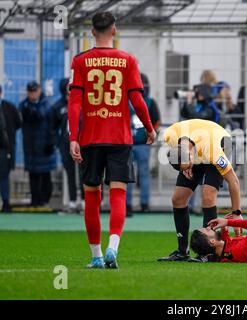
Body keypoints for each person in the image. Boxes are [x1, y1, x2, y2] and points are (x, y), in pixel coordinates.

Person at [68, 11, 156, 269]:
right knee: (119, 193)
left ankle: (95, 255)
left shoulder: (80, 61)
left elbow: (74, 102)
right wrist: (149, 128)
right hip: (120, 137)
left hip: (90, 138)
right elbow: (137, 100)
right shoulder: (128, 60)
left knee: (92, 196)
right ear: (114, 30)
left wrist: (74, 137)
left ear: (92, 31)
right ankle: (112, 247)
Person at [158, 119, 242, 262]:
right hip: (197, 145)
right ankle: (182, 251)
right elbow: (182, 160)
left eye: (190, 164)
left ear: (191, 155)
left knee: (208, 195)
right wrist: (186, 168)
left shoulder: (213, 152)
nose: (190, 167)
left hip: (219, 141)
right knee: (178, 199)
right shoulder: (169, 136)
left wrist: (236, 214)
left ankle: (209, 253)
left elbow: (234, 181)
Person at [126, 73, 161, 215]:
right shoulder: (149, 102)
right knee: (144, 174)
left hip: (128, 142)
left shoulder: (126, 101)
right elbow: (157, 121)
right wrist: (150, 132)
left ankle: (127, 205)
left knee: (127, 175)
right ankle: (144, 204)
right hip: (143, 143)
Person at [20, 81, 57, 208]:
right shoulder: (24, 105)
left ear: (39, 91)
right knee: (33, 175)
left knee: (45, 175)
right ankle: (35, 200)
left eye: (35, 91)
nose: (32, 94)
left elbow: (50, 124)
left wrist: (51, 143)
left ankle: (45, 199)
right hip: (31, 147)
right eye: (30, 91)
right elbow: (20, 120)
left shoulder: (46, 105)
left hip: (44, 147)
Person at [51, 78, 84, 214]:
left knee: (84, 173)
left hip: (83, 142)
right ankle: (71, 202)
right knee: (70, 173)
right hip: (66, 143)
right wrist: (58, 143)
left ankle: (84, 203)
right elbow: (53, 127)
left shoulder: (84, 103)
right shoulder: (58, 106)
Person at [0, 85, 22, 212]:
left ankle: (6, 202)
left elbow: (18, 122)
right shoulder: (9, 107)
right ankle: (6, 202)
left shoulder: (9, 107)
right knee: (3, 176)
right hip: (5, 147)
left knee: (3, 175)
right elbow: (19, 122)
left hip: (4, 148)